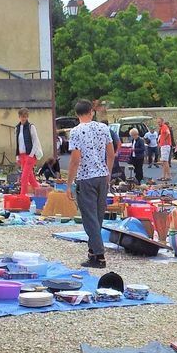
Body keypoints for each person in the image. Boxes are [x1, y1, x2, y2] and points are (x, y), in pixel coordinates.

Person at [66, 100, 115, 269]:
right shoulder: (103, 128)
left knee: (89, 218)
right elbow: (111, 154)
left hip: (86, 178)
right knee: (98, 217)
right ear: (91, 112)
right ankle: (93, 253)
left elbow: (75, 160)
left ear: (77, 114)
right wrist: (108, 172)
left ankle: (99, 255)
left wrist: (68, 183)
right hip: (102, 176)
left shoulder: (75, 132)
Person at [14, 108, 43, 196]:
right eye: (22, 116)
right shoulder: (17, 128)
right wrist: (17, 156)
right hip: (22, 155)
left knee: (24, 177)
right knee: (30, 178)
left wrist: (31, 155)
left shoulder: (31, 127)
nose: (24, 118)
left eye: (25, 117)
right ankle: (41, 193)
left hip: (30, 155)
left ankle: (22, 196)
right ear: (19, 117)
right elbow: (18, 143)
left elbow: (35, 141)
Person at [158, 117, 174, 181]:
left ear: (162, 121)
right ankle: (164, 175)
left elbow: (168, 133)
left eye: (159, 122)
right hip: (163, 145)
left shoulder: (164, 127)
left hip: (165, 145)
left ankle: (168, 176)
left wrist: (164, 140)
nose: (158, 123)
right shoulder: (162, 127)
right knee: (164, 161)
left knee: (165, 161)